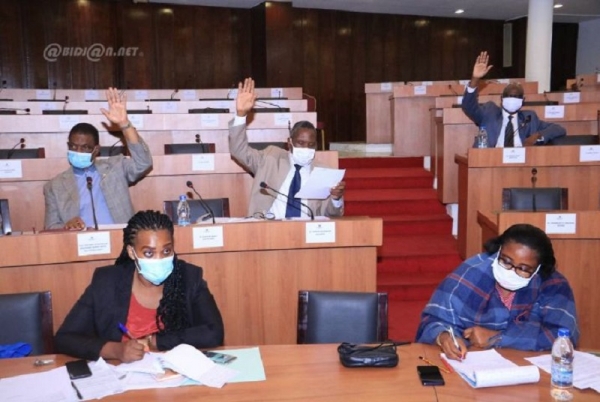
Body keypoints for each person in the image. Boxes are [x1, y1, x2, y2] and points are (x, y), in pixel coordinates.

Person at [55, 210, 224, 362]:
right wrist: (115, 350)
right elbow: (65, 338)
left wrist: (155, 341)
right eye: (149, 253)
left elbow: (214, 332)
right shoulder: (107, 282)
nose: (159, 259)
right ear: (131, 252)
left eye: (166, 251)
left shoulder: (189, 277)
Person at [416, 223, 579, 361]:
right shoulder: (471, 273)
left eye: (523, 269)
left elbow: (563, 337)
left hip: (528, 368)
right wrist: (444, 337)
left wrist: (498, 338)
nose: (511, 271)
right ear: (498, 251)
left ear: (538, 269)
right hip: (472, 367)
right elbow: (432, 321)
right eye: (506, 261)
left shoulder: (553, 284)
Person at [229, 78, 345, 219]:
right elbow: (238, 150)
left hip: (307, 233)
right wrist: (241, 115)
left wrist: (336, 199)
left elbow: (331, 215)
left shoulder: (323, 173)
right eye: (300, 143)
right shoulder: (270, 159)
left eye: (311, 144)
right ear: (290, 142)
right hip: (268, 230)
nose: (306, 148)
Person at [43, 87, 153, 230]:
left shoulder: (115, 167)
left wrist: (124, 124)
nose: (78, 151)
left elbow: (144, 163)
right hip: (80, 246)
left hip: (121, 240)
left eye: (85, 147)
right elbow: (50, 227)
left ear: (96, 150)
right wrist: (66, 226)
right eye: (73, 147)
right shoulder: (54, 186)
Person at [462, 51, 566, 148]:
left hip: (519, 163)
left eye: (516, 96)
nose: (512, 99)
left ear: (523, 100)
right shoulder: (490, 112)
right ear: (502, 99)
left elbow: (559, 129)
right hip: (490, 160)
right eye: (509, 96)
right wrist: (475, 79)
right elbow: (468, 106)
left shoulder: (529, 118)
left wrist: (538, 135)